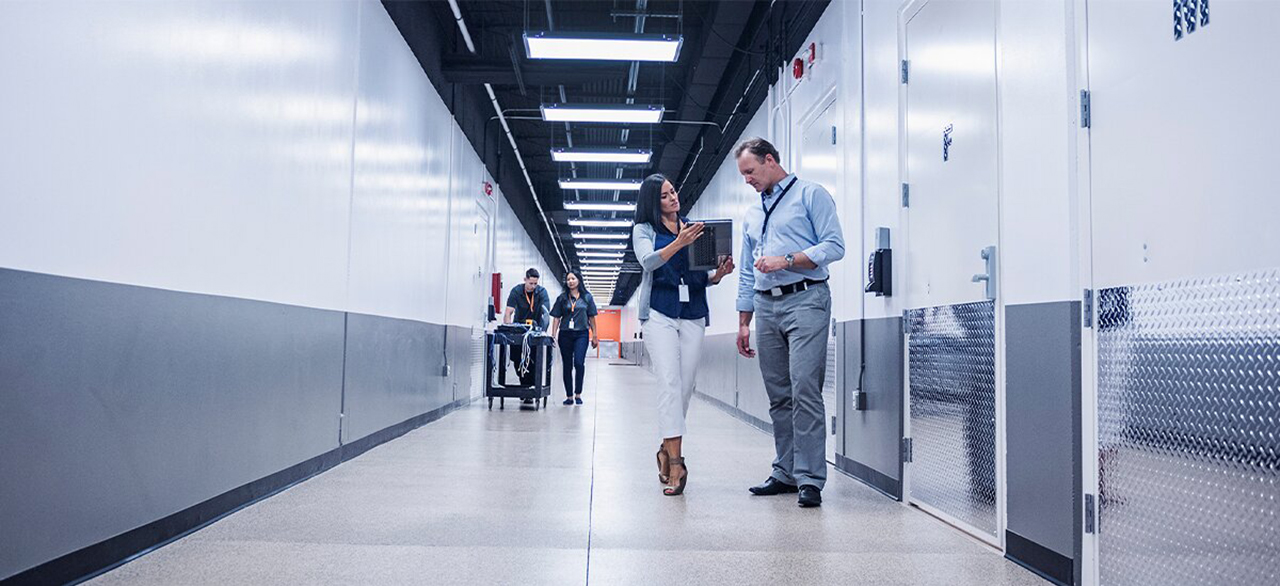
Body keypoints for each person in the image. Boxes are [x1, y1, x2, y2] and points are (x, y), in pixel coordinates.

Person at [734, 137, 845, 508]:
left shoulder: (811, 195)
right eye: (743, 175)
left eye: (750, 171)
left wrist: (788, 259)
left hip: (807, 299)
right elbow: (748, 274)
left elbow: (834, 245)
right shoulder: (752, 214)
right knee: (779, 394)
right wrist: (744, 320)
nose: (747, 180)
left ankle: (810, 478)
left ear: (770, 160)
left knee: (804, 390)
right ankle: (785, 470)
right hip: (766, 308)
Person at [632, 173, 735, 496]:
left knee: (686, 385)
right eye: (664, 196)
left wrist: (716, 275)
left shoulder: (695, 227)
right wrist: (680, 242)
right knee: (670, 382)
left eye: (673, 192)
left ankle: (665, 448)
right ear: (653, 202)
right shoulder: (644, 230)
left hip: (692, 312)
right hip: (659, 312)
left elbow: (699, 275)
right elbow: (647, 262)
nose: (673, 198)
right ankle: (677, 463)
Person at [549, 271, 599, 406]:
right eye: (568, 279)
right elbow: (556, 318)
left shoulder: (587, 297)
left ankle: (578, 394)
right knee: (567, 365)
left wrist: (595, 335)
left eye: (573, 278)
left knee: (578, 362)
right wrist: (553, 335)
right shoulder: (562, 298)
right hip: (565, 334)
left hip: (582, 334)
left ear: (579, 280)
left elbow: (592, 317)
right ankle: (569, 396)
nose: (570, 281)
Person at [504, 268, 551, 391]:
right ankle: (524, 384)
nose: (533, 286)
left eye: (535, 283)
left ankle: (530, 388)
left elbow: (546, 313)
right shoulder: (516, 291)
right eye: (530, 283)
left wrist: (543, 331)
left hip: (534, 331)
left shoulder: (542, 292)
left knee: (533, 359)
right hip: (518, 330)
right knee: (517, 358)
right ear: (525, 279)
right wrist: (508, 329)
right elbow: (508, 312)